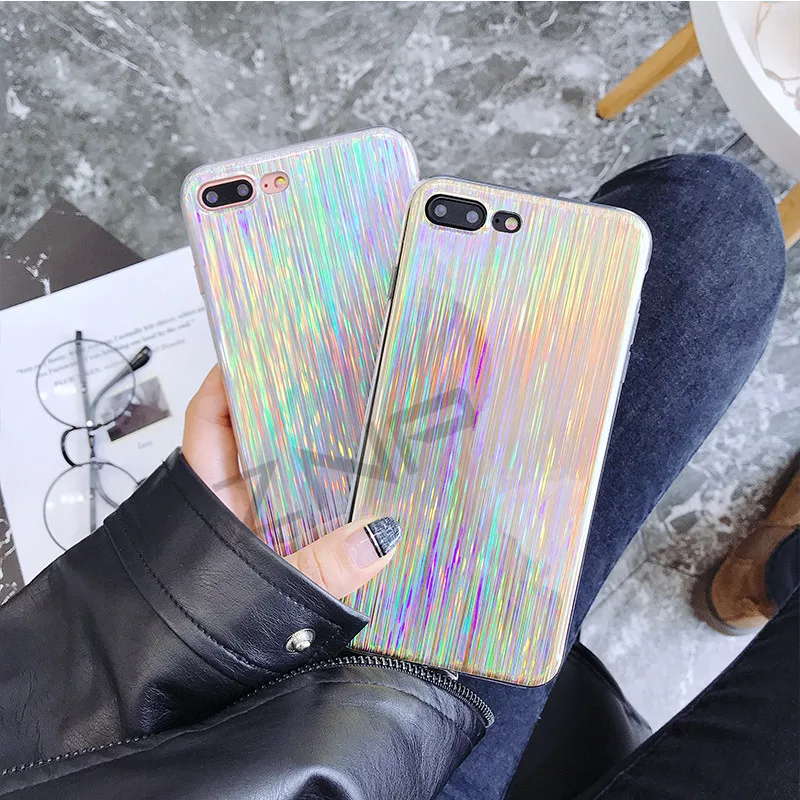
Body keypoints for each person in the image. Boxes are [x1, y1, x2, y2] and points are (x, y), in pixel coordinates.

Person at [0, 154, 797, 799]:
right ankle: (779, 571)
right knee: (710, 240)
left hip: (298, 746)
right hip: (384, 753)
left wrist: (184, 591)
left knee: (709, 228)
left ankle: (772, 574)